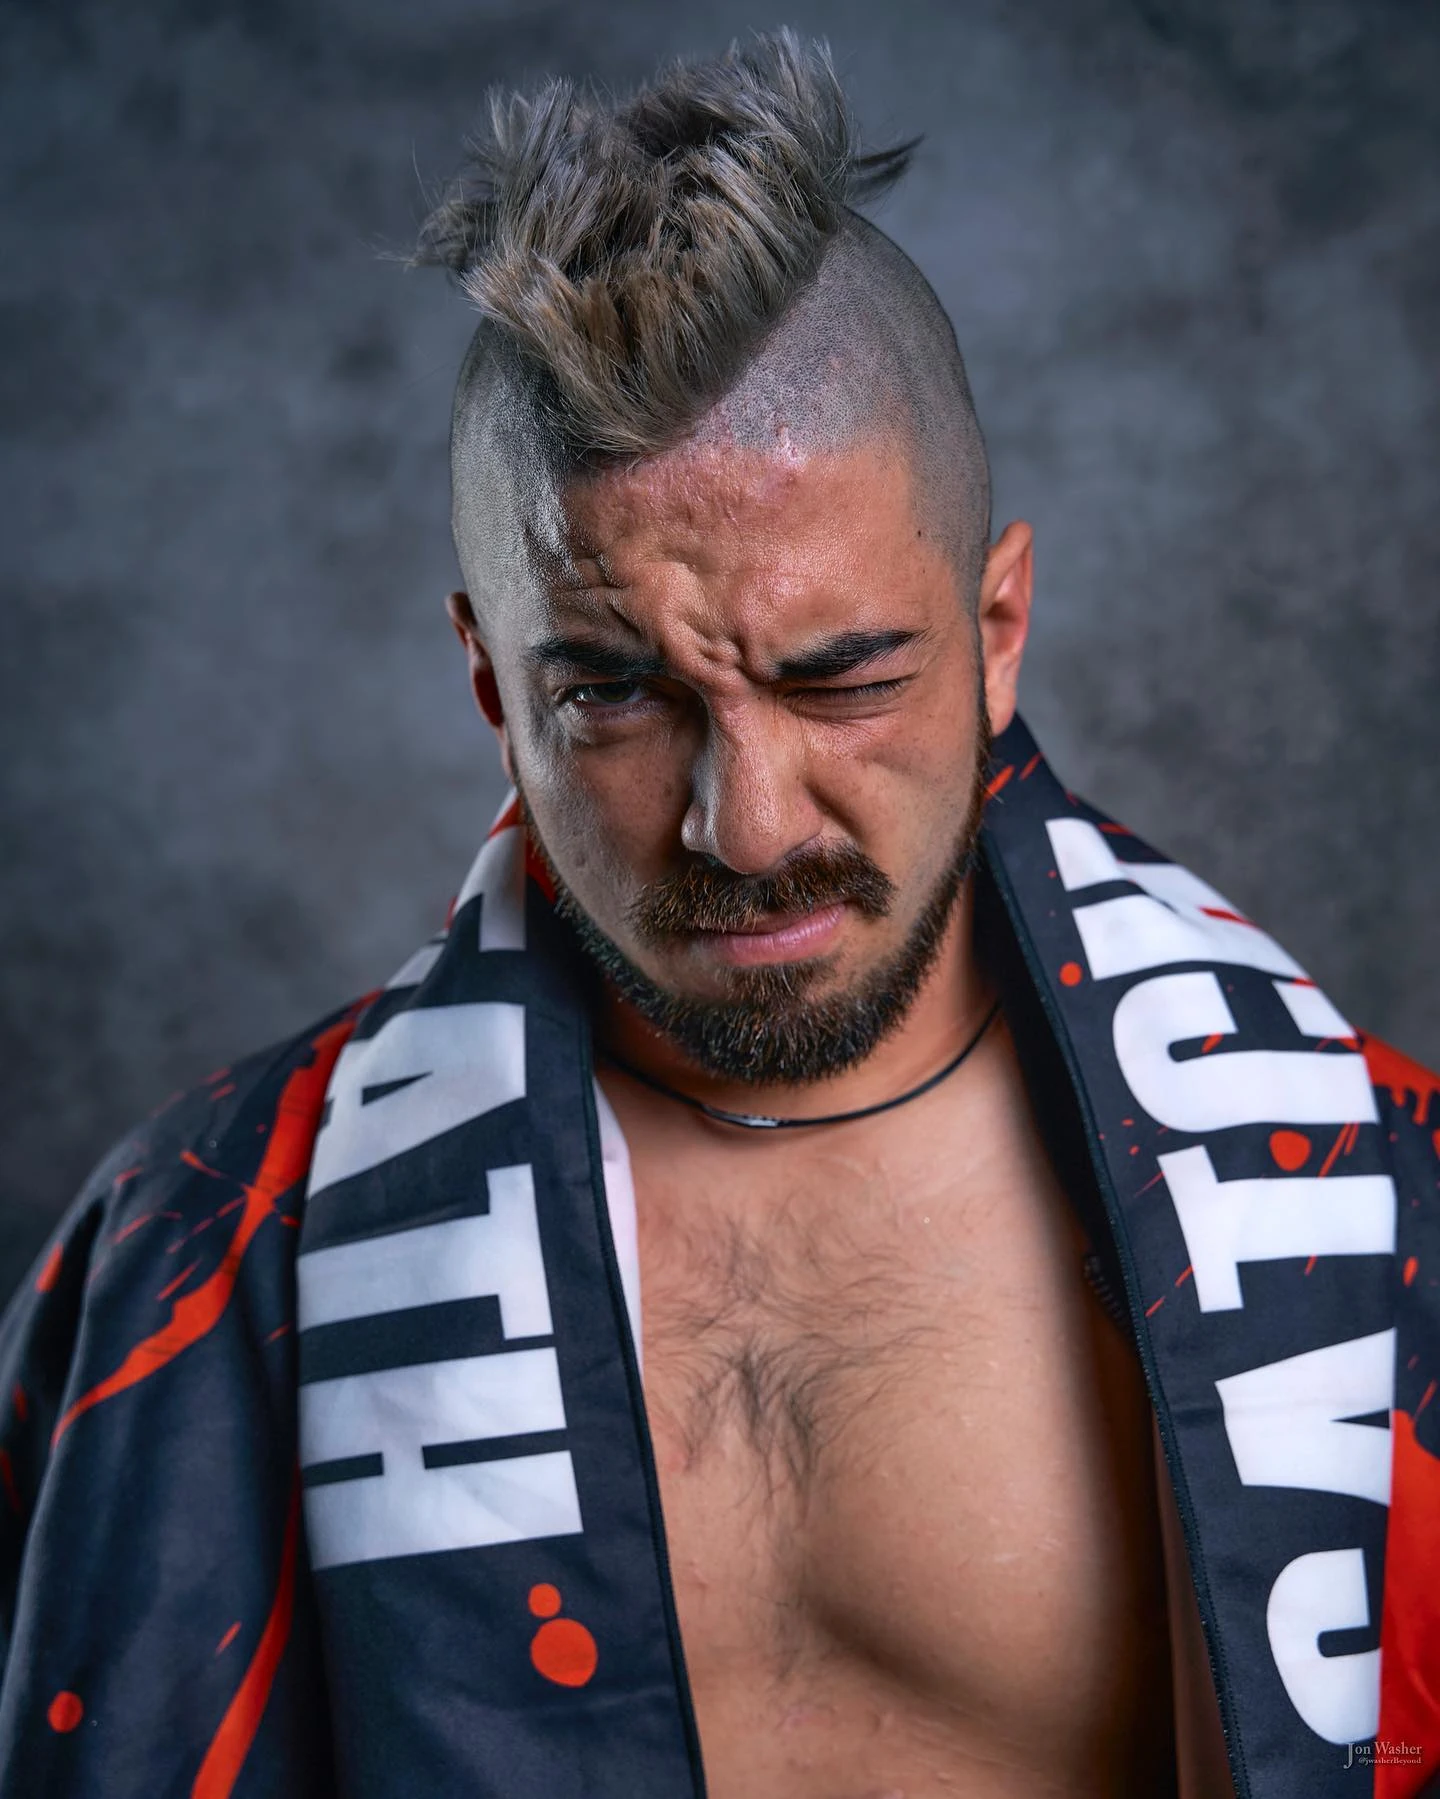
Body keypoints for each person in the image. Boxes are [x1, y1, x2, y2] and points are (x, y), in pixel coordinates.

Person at [0, 28, 1435, 1799]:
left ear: (997, 631)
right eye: (614, 694)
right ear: (489, 684)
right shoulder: (189, 1257)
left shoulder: (1367, 1216)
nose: (744, 824)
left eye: (841, 679)